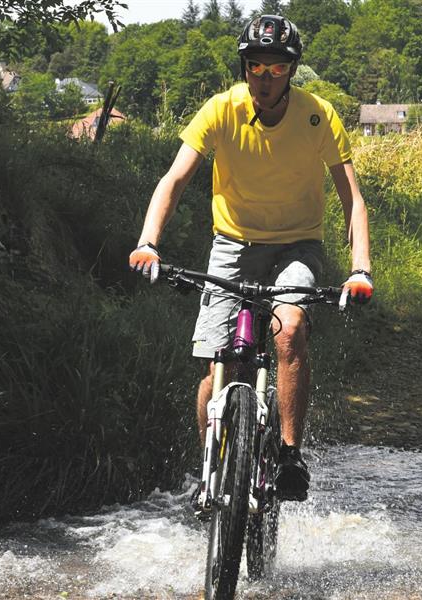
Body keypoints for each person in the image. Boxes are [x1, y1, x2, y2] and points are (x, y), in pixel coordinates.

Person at [129, 15, 372, 504]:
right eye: (256, 66)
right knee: (216, 366)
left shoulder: (317, 115)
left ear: (291, 71)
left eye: (276, 68)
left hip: (296, 245)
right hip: (232, 245)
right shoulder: (220, 111)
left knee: (291, 326)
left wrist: (360, 269)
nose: (264, 77)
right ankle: (211, 469)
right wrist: (147, 241)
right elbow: (173, 181)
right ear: (244, 68)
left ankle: (287, 455)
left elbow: (352, 199)